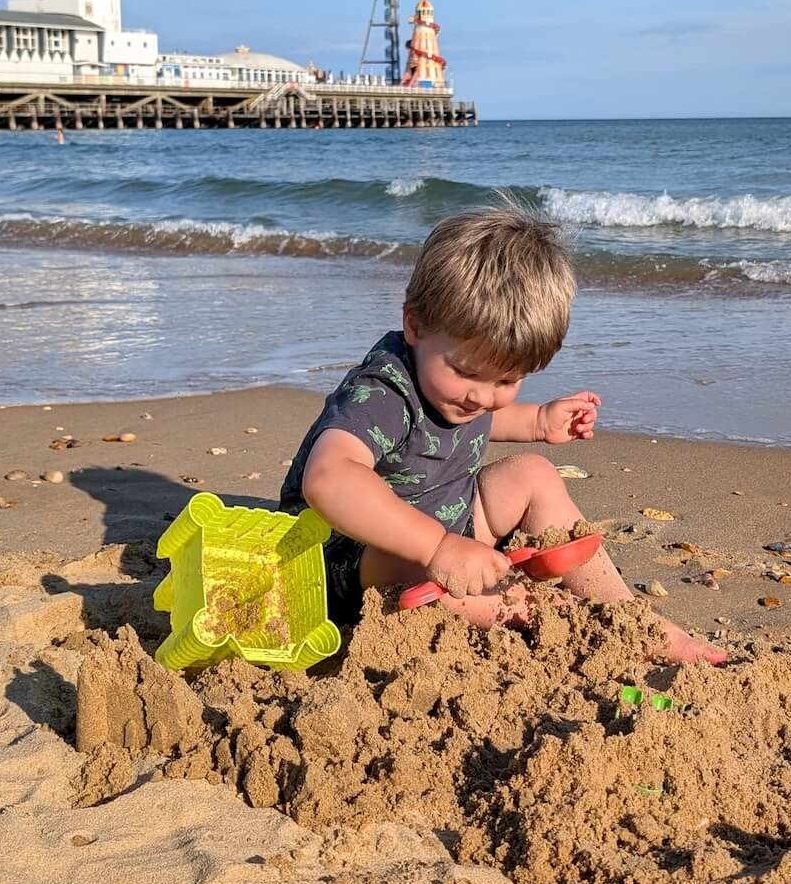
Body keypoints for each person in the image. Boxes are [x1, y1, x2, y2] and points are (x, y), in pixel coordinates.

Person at [281, 208, 724, 665]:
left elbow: (469, 422)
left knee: (533, 473)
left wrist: (537, 422)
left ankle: (624, 611)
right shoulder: (382, 394)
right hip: (344, 560)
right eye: (468, 373)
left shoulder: (455, 385)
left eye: (507, 380)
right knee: (408, 562)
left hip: (449, 526)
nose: (482, 397)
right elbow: (329, 478)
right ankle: (555, 617)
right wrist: (435, 546)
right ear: (414, 326)